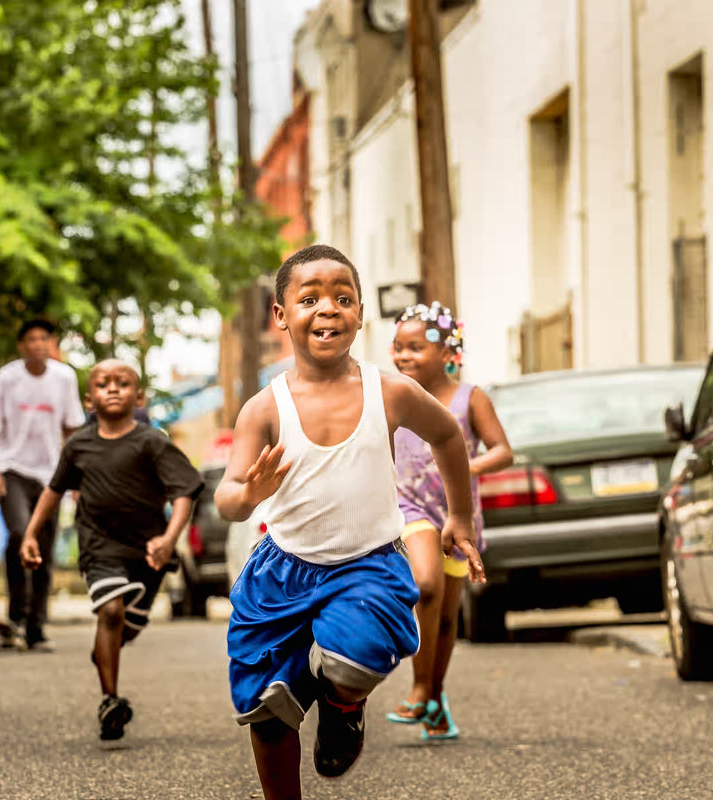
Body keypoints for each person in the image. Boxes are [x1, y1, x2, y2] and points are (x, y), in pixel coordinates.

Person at [214, 244, 483, 800]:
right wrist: (248, 494)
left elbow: (447, 435)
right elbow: (227, 498)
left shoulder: (390, 391)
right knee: (268, 711)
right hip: (282, 571)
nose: (328, 309)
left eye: (342, 298)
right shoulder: (264, 408)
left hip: (369, 565)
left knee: (354, 661)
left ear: (360, 314)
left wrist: (460, 515)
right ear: (281, 315)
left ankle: (342, 707)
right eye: (309, 298)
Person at [19, 359, 204, 741]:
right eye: (104, 384)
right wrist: (31, 534)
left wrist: (169, 539)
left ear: (139, 397)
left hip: (149, 552)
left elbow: (184, 493)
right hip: (98, 546)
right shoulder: (78, 445)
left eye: (123, 383)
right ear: (90, 400)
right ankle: (110, 700)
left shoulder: (152, 442)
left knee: (126, 630)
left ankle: (105, 652)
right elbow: (53, 491)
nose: (114, 389)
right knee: (111, 610)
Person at [386, 302, 513, 740]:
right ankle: (420, 686)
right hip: (411, 509)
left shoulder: (470, 398)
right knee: (426, 586)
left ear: (446, 352)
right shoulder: (394, 398)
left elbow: (503, 450)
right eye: (398, 347)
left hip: (458, 517)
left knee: (445, 617)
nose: (403, 356)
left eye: (415, 347)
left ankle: (435, 698)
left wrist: (465, 466)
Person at [0, 318, 85, 650]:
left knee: (44, 547)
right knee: (19, 534)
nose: (38, 344)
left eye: (44, 338)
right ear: (22, 346)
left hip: (51, 475)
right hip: (12, 470)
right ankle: (17, 616)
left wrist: (75, 477)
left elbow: (72, 429)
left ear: (52, 344)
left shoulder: (64, 378)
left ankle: (36, 626)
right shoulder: (6, 378)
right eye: (32, 339)